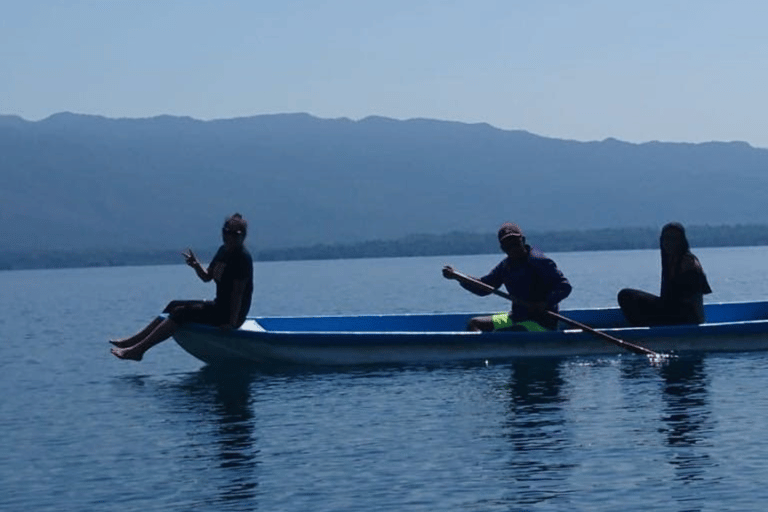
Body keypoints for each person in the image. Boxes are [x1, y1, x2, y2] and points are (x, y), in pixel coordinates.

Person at [110, 213, 254, 361]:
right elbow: (207, 277)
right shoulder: (223, 251)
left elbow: (238, 293)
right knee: (173, 305)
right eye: (225, 231)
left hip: (230, 315)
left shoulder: (241, 258)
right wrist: (196, 266)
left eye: (234, 234)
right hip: (220, 307)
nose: (228, 236)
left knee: (180, 313)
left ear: (242, 236)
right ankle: (133, 341)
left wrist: (231, 323)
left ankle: (138, 350)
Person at [442, 222, 572, 332]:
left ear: (523, 241)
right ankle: (479, 353)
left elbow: (564, 287)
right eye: (508, 245)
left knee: (511, 329)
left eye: (516, 243)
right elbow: (484, 288)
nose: (513, 248)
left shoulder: (538, 260)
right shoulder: (505, 266)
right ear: (502, 248)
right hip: (516, 317)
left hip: (541, 323)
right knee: (475, 323)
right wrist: (458, 277)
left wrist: (544, 303)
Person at [618, 222, 712, 326]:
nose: (669, 242)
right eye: (666, 238)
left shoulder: (688, 262)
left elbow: (694, 300)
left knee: (625, 295)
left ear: (682, 242)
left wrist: (697, 323)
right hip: (672, 311)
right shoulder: (669, 260)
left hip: (686, 317)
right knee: (629, 297)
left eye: (674, 239)